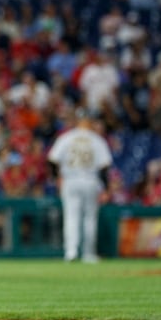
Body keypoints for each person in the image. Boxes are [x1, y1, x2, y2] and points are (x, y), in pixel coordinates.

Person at [47, 108, 113, 263]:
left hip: (70, 180)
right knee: (89, 217)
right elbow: (104, 168)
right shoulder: (96, 139)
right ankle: (88, 254)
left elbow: (52, 160)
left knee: (71, 216)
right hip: (90, 180)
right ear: (89, 122)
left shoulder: (66, 138)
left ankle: (71, 252)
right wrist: (106, 188)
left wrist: (57, 178)